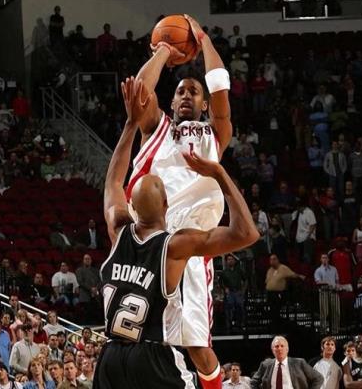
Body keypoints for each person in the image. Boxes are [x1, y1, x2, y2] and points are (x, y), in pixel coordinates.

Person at [94, 77, 258, 389]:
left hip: (111, 357)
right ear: (167, 204)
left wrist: (130, 124)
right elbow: (246, 234)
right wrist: (220, 174)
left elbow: (113, 182)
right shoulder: (174, 248)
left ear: (131, 206)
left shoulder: (118, 230)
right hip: (151, 357)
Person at [129, 14, 234, 387]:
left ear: (204, 104)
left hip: (190, 244)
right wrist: (163, 51)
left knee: (197, 346)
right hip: (151, 243)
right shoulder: (156, 129)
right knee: (143, 340)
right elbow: (138, 91)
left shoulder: (214, 134)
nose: (187, 95)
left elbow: (220, 86)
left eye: (194, 91)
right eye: (180, 91)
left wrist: (203, 41)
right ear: (172, 102)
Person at [252, 336, 323, 389]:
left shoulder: (299, 363)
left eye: (282, 346)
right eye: (276, 346)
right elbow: (253, 382)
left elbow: (318, 378)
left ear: (287, 349)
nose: (279, 348)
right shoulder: (265, 365)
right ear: (272, 350)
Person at [314, 254, 340, 334]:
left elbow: (337, 280)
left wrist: (337, 286)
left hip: (334, 292)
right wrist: (327, 283)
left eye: (326, 258)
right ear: (320, 260)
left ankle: (335, 330)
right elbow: (318, 282)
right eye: (323, 258)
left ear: (328, 259)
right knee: (324, 312)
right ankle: (324, 330)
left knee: (336, 312)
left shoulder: (334, 269)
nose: (324, 259)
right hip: (324, 292)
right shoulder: (318, 270)